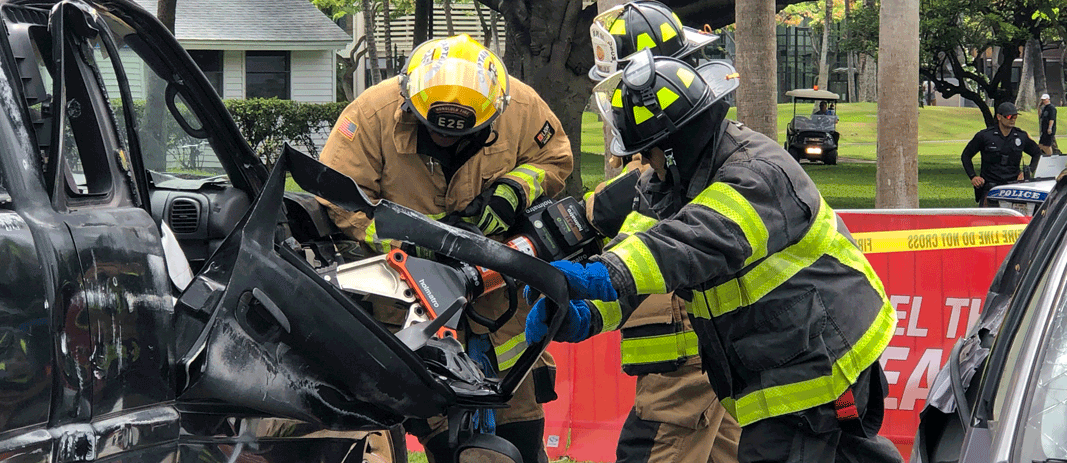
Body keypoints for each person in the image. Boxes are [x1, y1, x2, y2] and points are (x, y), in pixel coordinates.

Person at [525, 50, 904, 463]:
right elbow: (638, 260)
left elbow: (689, 243)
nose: (642, 165)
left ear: (674, 147)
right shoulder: (668, 184)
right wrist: (586, 312)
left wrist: (600, 272)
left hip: (819, 359)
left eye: (647, 152)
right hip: (780, 357)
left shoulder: (754, 171)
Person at [316, 34, 573, 463]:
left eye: (463, 134)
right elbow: (337, 204)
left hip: (499, 306)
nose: (446, 140)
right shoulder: (371, 116)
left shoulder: (522, 107)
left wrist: (514, 189)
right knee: (450, 445)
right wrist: (414, 245)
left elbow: (556, 160)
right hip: (413, 311)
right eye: (434, 130)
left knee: (520, 441)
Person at [586, 2, 741, 462]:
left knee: (651, 449)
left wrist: (599, 272)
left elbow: (662, 238)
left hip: (687, 358)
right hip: (709, 355)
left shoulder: (690, 155)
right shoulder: (680, 146)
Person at [962, 101, 1041, 206]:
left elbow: (1037, 153)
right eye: (1009, 116)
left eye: (1015, 117)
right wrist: (973, 176)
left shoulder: (1021, 136)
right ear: (999, 117)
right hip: (991, 188)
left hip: (1013, 188)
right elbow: (966, 156)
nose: (1012, 120)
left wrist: (1029, 170)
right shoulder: (985, 136)